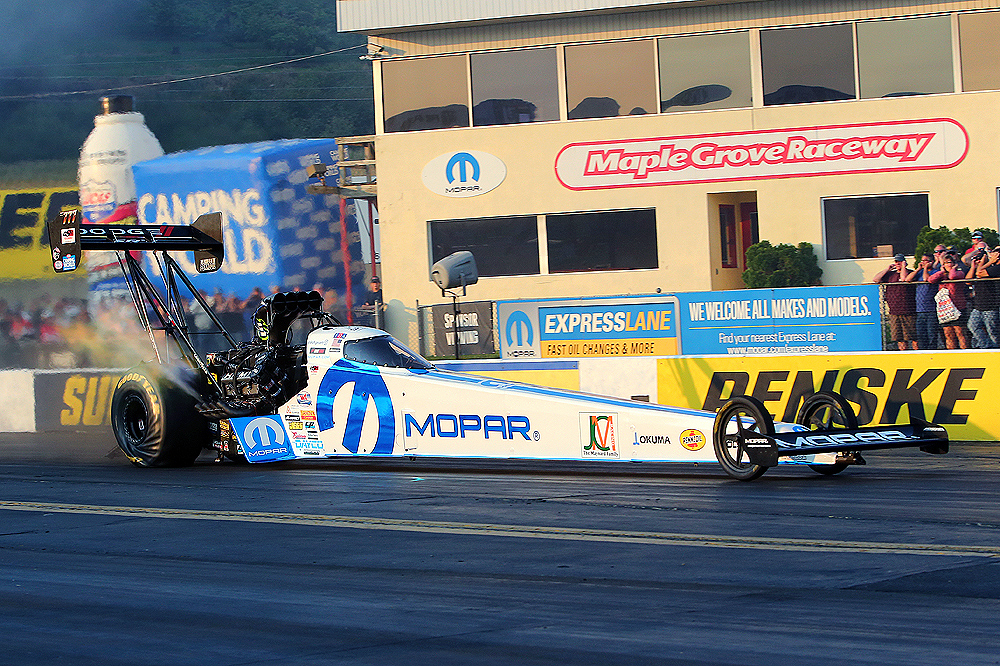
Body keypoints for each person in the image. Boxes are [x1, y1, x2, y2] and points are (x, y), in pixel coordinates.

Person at [873, 253, 917, 350]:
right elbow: (876, 279)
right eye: (896, 261)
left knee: (913, 337)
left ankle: (916, 354)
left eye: (900, 261)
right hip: (894, 311)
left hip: (908, 311)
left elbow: (904, 279)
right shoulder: (890, 274)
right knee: (899, 338)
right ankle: (903, 355)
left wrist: (904, 267)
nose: (898, 263)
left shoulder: (910, 273)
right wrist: (887, 269)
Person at [928, 252, 969, 349]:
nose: (948, 265)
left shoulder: (959, 272)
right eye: (946, 263)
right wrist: (941, 271)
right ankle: (951, 351)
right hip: (945, 308)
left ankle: (964, 351)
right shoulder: (942, 275)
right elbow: (931, 279)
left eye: (950, 262)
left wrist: (953, 269)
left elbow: (952, 277)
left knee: (959, 332)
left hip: (958, 307)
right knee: (948, 333)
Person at [905, 253, 940, 350]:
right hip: (920, 310)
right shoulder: (919, 272)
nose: (923, 262)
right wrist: (918, 269)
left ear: (931, 262)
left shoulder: (935, 272)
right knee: (921, 334)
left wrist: (925, 269)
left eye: (925, 260)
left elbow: (926, 279)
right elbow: (907, 279)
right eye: (922, 260)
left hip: (931, 309)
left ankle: (932, 351)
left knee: (931, 334)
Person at [972, 245, 1000, 347]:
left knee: (993, 331)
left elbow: (979, 273)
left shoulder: (997, 268)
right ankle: (986, 346)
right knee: (973, 325)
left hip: (992, 305)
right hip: (981, 305)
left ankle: (995, 348)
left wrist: (990, 262)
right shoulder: (992, 267)